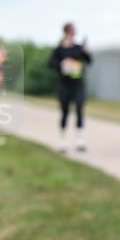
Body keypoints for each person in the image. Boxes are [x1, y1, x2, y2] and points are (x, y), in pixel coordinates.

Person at [48, 23, 93, 153]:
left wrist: (87, 52)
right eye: (71, 32)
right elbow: (51, 63)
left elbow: (89, 61)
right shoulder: (59, 49)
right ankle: (62, 140)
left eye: (74, 32)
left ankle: (80, 140)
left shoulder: (79, 48)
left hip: (78, 84)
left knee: (79, 108)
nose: (73, 34)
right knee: (65, 111)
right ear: (65, 32)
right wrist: (61, 64)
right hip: (64, 84)